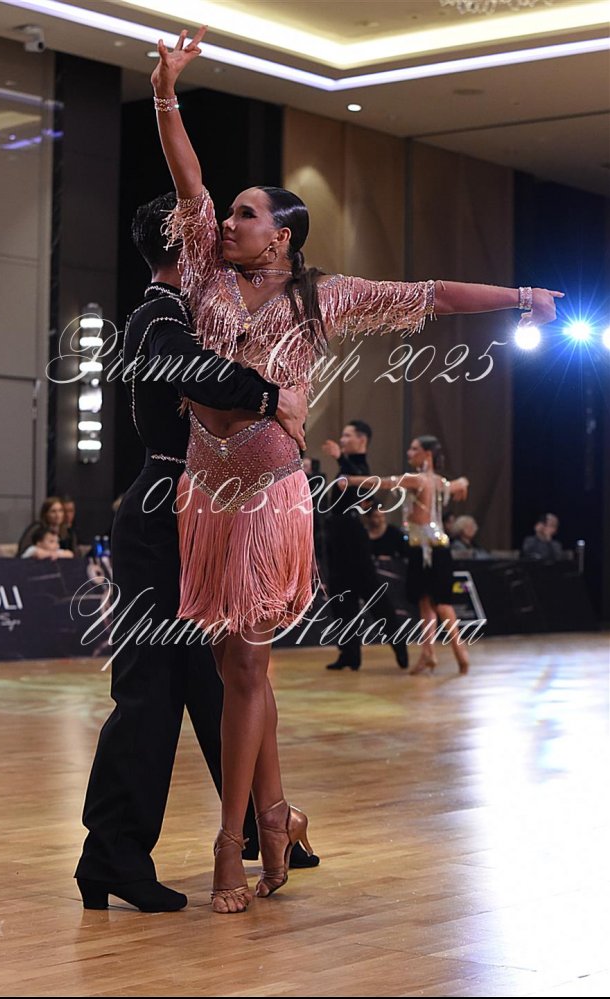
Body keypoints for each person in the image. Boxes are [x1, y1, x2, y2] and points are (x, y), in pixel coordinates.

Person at [151, 25, 563, 912]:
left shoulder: (323, 295)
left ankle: (231, 843)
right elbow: (187, 179)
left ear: (284, 235)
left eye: (246, 215)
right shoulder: (204, 276)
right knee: (234, 670)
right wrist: (165, 93)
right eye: (229, 214)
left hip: (268, 498)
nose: (229, 222)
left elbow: (431, 295)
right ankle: (278, 819)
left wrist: (521, 296)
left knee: (246, 667)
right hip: (204, 494)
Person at [74, 194, 311, 914]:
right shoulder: (161, 315)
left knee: (223, 681)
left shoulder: (204, 310)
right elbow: (193, 371)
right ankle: (111, 854)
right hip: (163, 512)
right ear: (188, 239)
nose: (224, 234)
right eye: (211, 226)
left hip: (200, 509)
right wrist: (270, 397)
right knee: (150, 692)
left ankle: (264, 825)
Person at [340, 436, 470, 675]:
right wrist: (464, 483)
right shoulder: (439, 481)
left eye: (414, 449)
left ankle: (461, 652)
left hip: (431, 550)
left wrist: (351, 481)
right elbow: (459, 483)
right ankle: (428, 654)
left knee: (441, 604)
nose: (409, 453)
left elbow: (384, 483)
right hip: (424, 548)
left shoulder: (418, 479)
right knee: (425, 602)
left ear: (427, 454)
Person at [322, 421, 408, 671]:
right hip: (337, 537)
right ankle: (349, 654)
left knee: (373, 594)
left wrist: (340, 459)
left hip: (354, 539)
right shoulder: (347, 466)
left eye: (347, 435)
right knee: (341, 598)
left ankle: (398, 641)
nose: (342, 440)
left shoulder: (359, 467)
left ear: (362, 440)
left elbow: (362, 483)